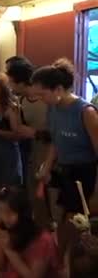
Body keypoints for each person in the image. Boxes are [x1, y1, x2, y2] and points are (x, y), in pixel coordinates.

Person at [31, 59, 98, 252]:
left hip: (85, 173)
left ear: (58, 89)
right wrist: (47, 165)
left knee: (75, 220)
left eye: (43, 94)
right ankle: (62, 257)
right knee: (62, 216)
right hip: (65, 170)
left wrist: (96, 192)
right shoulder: (53, 108)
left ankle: (70, 260)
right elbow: (55, 140)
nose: (41, 100)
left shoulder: (86, 112)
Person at [6, 57, 54, 228]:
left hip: (51, 156)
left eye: (11, 82)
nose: (9, 87)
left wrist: (35, 133)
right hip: (32, 155)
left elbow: (57, 133)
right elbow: (20, 130)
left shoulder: (48, 101)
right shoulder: (21, 102)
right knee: (35, 199)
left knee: (53, 201)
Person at [0, 186, 60, 278]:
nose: (4, 218)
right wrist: (0, 241)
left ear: (22, 212)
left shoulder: (43, 240)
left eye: (9, 212)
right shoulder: (8, 229)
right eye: (0, 212)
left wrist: (8, 248)